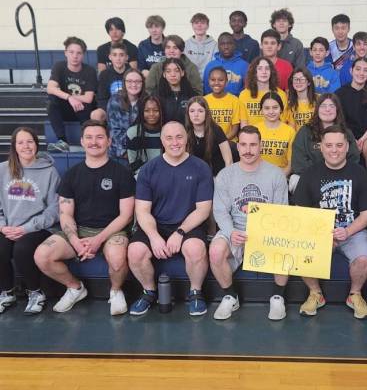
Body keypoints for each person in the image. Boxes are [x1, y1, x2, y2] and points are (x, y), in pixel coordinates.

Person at [34, 120, 136, 315]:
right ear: (82, 141)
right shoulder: (72, 175)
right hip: (78, 229)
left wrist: (98, 240)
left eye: (99, 137)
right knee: (42, 255)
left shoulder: (122, 173)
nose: (94, 142)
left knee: (117, 258)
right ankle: (75, 288)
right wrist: (74, 240)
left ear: (109, 141)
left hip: (112, 229)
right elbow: (65, 213)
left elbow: (126, 215)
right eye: (89, 137)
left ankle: (115, 291)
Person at [128, 121, 213, 316]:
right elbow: (142, 211)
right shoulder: (149, 169)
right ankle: (149, 292)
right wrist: (154, 236)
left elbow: (203, 210)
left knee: (195, 249)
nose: (175, 142)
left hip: (188, 223)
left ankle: (196, 292)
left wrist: (180, 232)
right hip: (156, 224)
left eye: (179, 137)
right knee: (135, 251)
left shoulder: (201, 168)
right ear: (162, 141)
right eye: (169, 138)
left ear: (187, 139)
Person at [294, 125, 367, 319]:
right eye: (329, 145)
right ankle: (315, 293)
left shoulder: (360, 173)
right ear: (321, 147)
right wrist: (321, 232)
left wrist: (347, 231)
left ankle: (355, 295)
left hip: (353, 231)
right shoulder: (309, 175)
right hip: (320, 232)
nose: (334, 150)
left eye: (339, 145)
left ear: (347, 147)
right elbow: (301, 212)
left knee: (364, 259)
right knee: (301, 252)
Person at [209, 125, 289, 320]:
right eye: (243, 144)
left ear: (261, 145)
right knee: (215, 250)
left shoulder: (275, 174)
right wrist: (230, 232)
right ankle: (230, 296)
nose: (248, 150)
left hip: (267, 230)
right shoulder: (226, 175)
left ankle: (278, 297)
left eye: (253, 145)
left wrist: (263, 230)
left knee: (288, 244)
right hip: (236, 229)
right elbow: (220, 210)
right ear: (237, 147)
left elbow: (281, 211)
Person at [0, 128, 60, 315]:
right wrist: (2, 226)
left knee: (22, 249)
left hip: (39, 227)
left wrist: (25, 228)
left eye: (30, 141)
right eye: (21, 142)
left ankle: (36, 293)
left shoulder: (49, 171)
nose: (26, 146)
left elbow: (54, 210)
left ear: (36, 144)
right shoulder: (2, 170)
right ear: (14, 147)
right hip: (8, 227)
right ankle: (6, 293)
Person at [290, 93, 360, 193]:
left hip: (339, 178)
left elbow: (353, 159)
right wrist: (321, 176)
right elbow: (298, 162)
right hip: (311, 177)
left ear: (337, 110)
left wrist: (333, 175)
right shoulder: (305, 131)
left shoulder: (346, 132)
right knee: (295, 180)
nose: (327, 109)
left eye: (332, 106)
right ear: (317, 109)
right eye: (323, 106)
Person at [46, 36, 97, 153]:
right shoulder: (59, 67)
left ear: (83, 55)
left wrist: (73, 99)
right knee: (51, 101)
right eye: (71, 52)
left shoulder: (89, 70)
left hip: (82, 109)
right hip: (65, 109)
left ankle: (87, 140)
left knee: (88, 104)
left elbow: (88, 98)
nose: (75, 56)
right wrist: (69, 98)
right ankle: (62, 141)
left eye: (79, 53)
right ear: (65, 53)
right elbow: (50, 88)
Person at [336, 57, 367, 156]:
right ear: (351, 71)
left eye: (365, 70)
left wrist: (362, 140)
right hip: (346, 135)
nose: (361, 73)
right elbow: (340, 122)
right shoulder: (340, 94)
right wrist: (352, 140)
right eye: (358, 69)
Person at [185, 96, 233, 177]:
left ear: (206, 113)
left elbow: (229, 161)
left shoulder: (217, 130)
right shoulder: (184, 132)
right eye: (192, 111)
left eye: (200, 111)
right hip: (194, 177)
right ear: (188, 114)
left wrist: (224, 181)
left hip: (216, 177)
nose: (196, 114)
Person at [107, 69, 147, 159]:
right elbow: (115, 132)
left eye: (137, 81)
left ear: (142, 83)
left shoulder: (147, 101)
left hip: (141, 150)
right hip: (119, 151)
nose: (133, 85)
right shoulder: (115, 101)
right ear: (124, 83)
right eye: (129, 81)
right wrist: (126, 152)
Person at [254, 92, 296, 177]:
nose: (271, 111)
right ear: (261, 110)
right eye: (267, 108)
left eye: (275, 107)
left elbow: (291, 163)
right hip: (256, 176)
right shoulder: (254, 130)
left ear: (281, 109)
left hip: (281, 176)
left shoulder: (290, 131)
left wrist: (279, 179)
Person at [239, 56, 288, 127]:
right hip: (251, 135)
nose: (264, 72)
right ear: (254, 72)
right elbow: (244, 123)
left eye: (267, 69)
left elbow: (282, 122)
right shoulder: (244, 95)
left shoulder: (281, 94)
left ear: (271, 72)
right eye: (260, 68)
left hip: (274, 136)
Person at [126, 96, 163, 177]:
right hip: (142, 177)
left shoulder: (167, 132)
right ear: (141, 112)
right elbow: (133, 164)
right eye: (147, 110)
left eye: (156, 110)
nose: (151, 114)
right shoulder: (133, 133)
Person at [93, 42, 131, 120]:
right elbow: (101, 98)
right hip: (109, 108)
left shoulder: (132, 73)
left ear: (126, 57)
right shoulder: (104, 74)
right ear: (110, 57)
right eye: (114, 55)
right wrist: (111, 109)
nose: (118, 58)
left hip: (129, 107)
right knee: (96, 114)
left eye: (121, 55)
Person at [156, 58, 199, 124]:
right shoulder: (157, 96)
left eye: (176, 71)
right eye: (168, 71)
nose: (173, 74)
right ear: (164, 74)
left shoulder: (192, 96)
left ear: (182, 73)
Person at [204, 67, 241, 141]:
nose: (216, 83)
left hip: (229, 142)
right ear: (209, 81)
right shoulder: (204, 100)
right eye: (213, 80)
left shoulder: (234, 100)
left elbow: (235, 129)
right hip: (209, 142)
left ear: (226, 82)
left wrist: (222, 142)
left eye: (220, 80)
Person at [184, 13, 217, 78]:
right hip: (191, 82)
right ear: (192, 26)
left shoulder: (215, 45)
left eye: (202, 23)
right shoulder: (185, 44)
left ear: (207, 26)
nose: (199, 25)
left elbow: (214, 66)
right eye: (196, 23)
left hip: (209, 82)